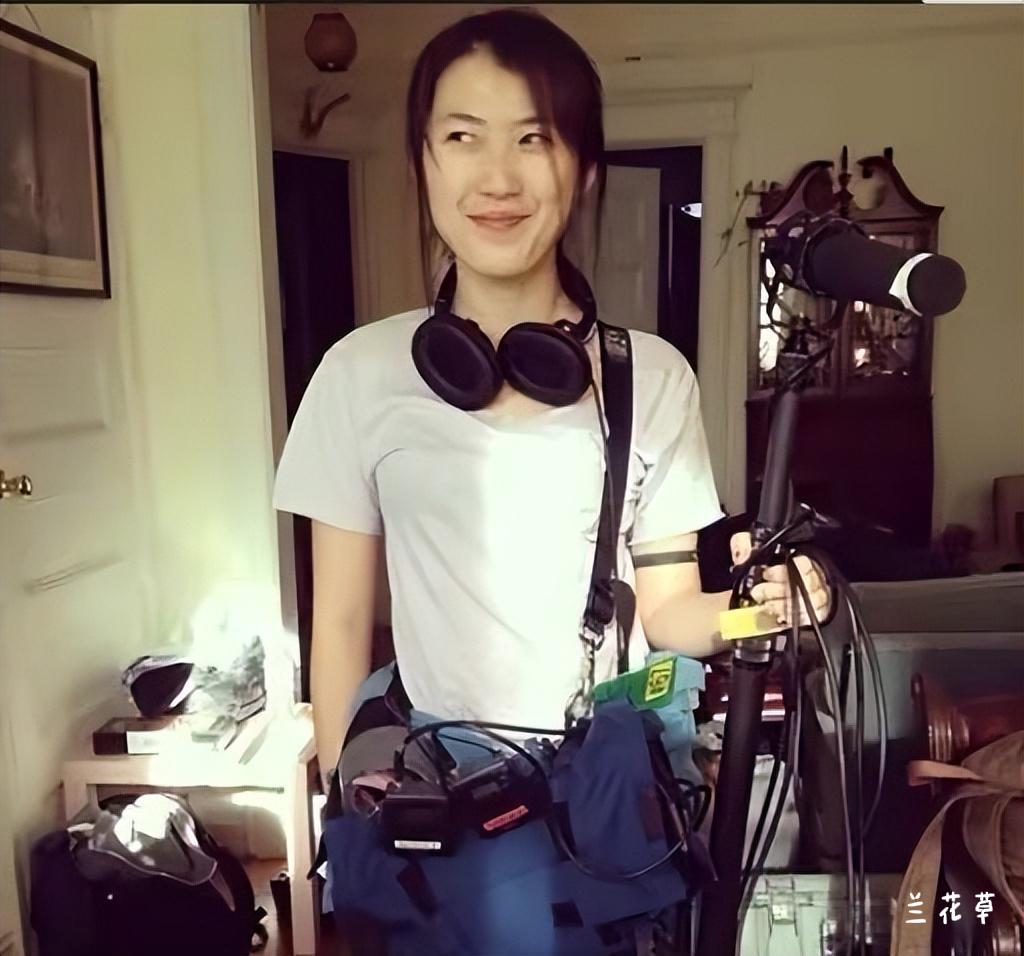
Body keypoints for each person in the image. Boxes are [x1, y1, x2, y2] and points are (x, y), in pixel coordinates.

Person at [273, 8, 830, 797]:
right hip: (436, 787)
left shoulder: (653, 376)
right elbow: (337, 623)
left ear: (586, 169)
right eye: (462, 137)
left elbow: (670, 612)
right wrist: (352, 808)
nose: (498, 178)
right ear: (422, 162)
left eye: (533, 139)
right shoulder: (357, 373)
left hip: (601, 788)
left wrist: (763, 612)